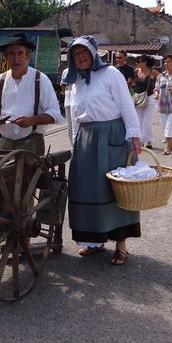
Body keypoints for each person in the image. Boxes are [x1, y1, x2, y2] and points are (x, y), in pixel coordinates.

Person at [65, 35, 142, 266]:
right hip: (87, 140)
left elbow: (127, 106)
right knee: (88, 190)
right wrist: (76, 141)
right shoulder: (75, 80)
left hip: (112, 135)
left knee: (114, 191)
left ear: (93, 53)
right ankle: (94, 241)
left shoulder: (111, 74)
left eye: (84, 53)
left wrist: (134, 135)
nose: (80, 58)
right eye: (76, 55)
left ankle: (121, 245)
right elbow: (75, 116)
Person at [0, 33, 62, 155]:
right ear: (6, 57)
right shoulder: (0, 80)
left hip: (32, 144)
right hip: (5, 144)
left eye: (20, 53)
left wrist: (31, 120)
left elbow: (55, 115)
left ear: (28, 56)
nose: (16, 58)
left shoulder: (40, 79)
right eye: (12, 54)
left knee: (31, 174)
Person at [133, 56, 158, 149]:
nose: (137, 64)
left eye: (138, 62)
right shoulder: (136, 71)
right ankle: (140, 140)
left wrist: (157, 89)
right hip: (138, 98)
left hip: (149, 98)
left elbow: (161, 80)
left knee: (147, 121)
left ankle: (149, 140)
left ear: (145, 62)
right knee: (138, 121)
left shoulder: (152, 71)